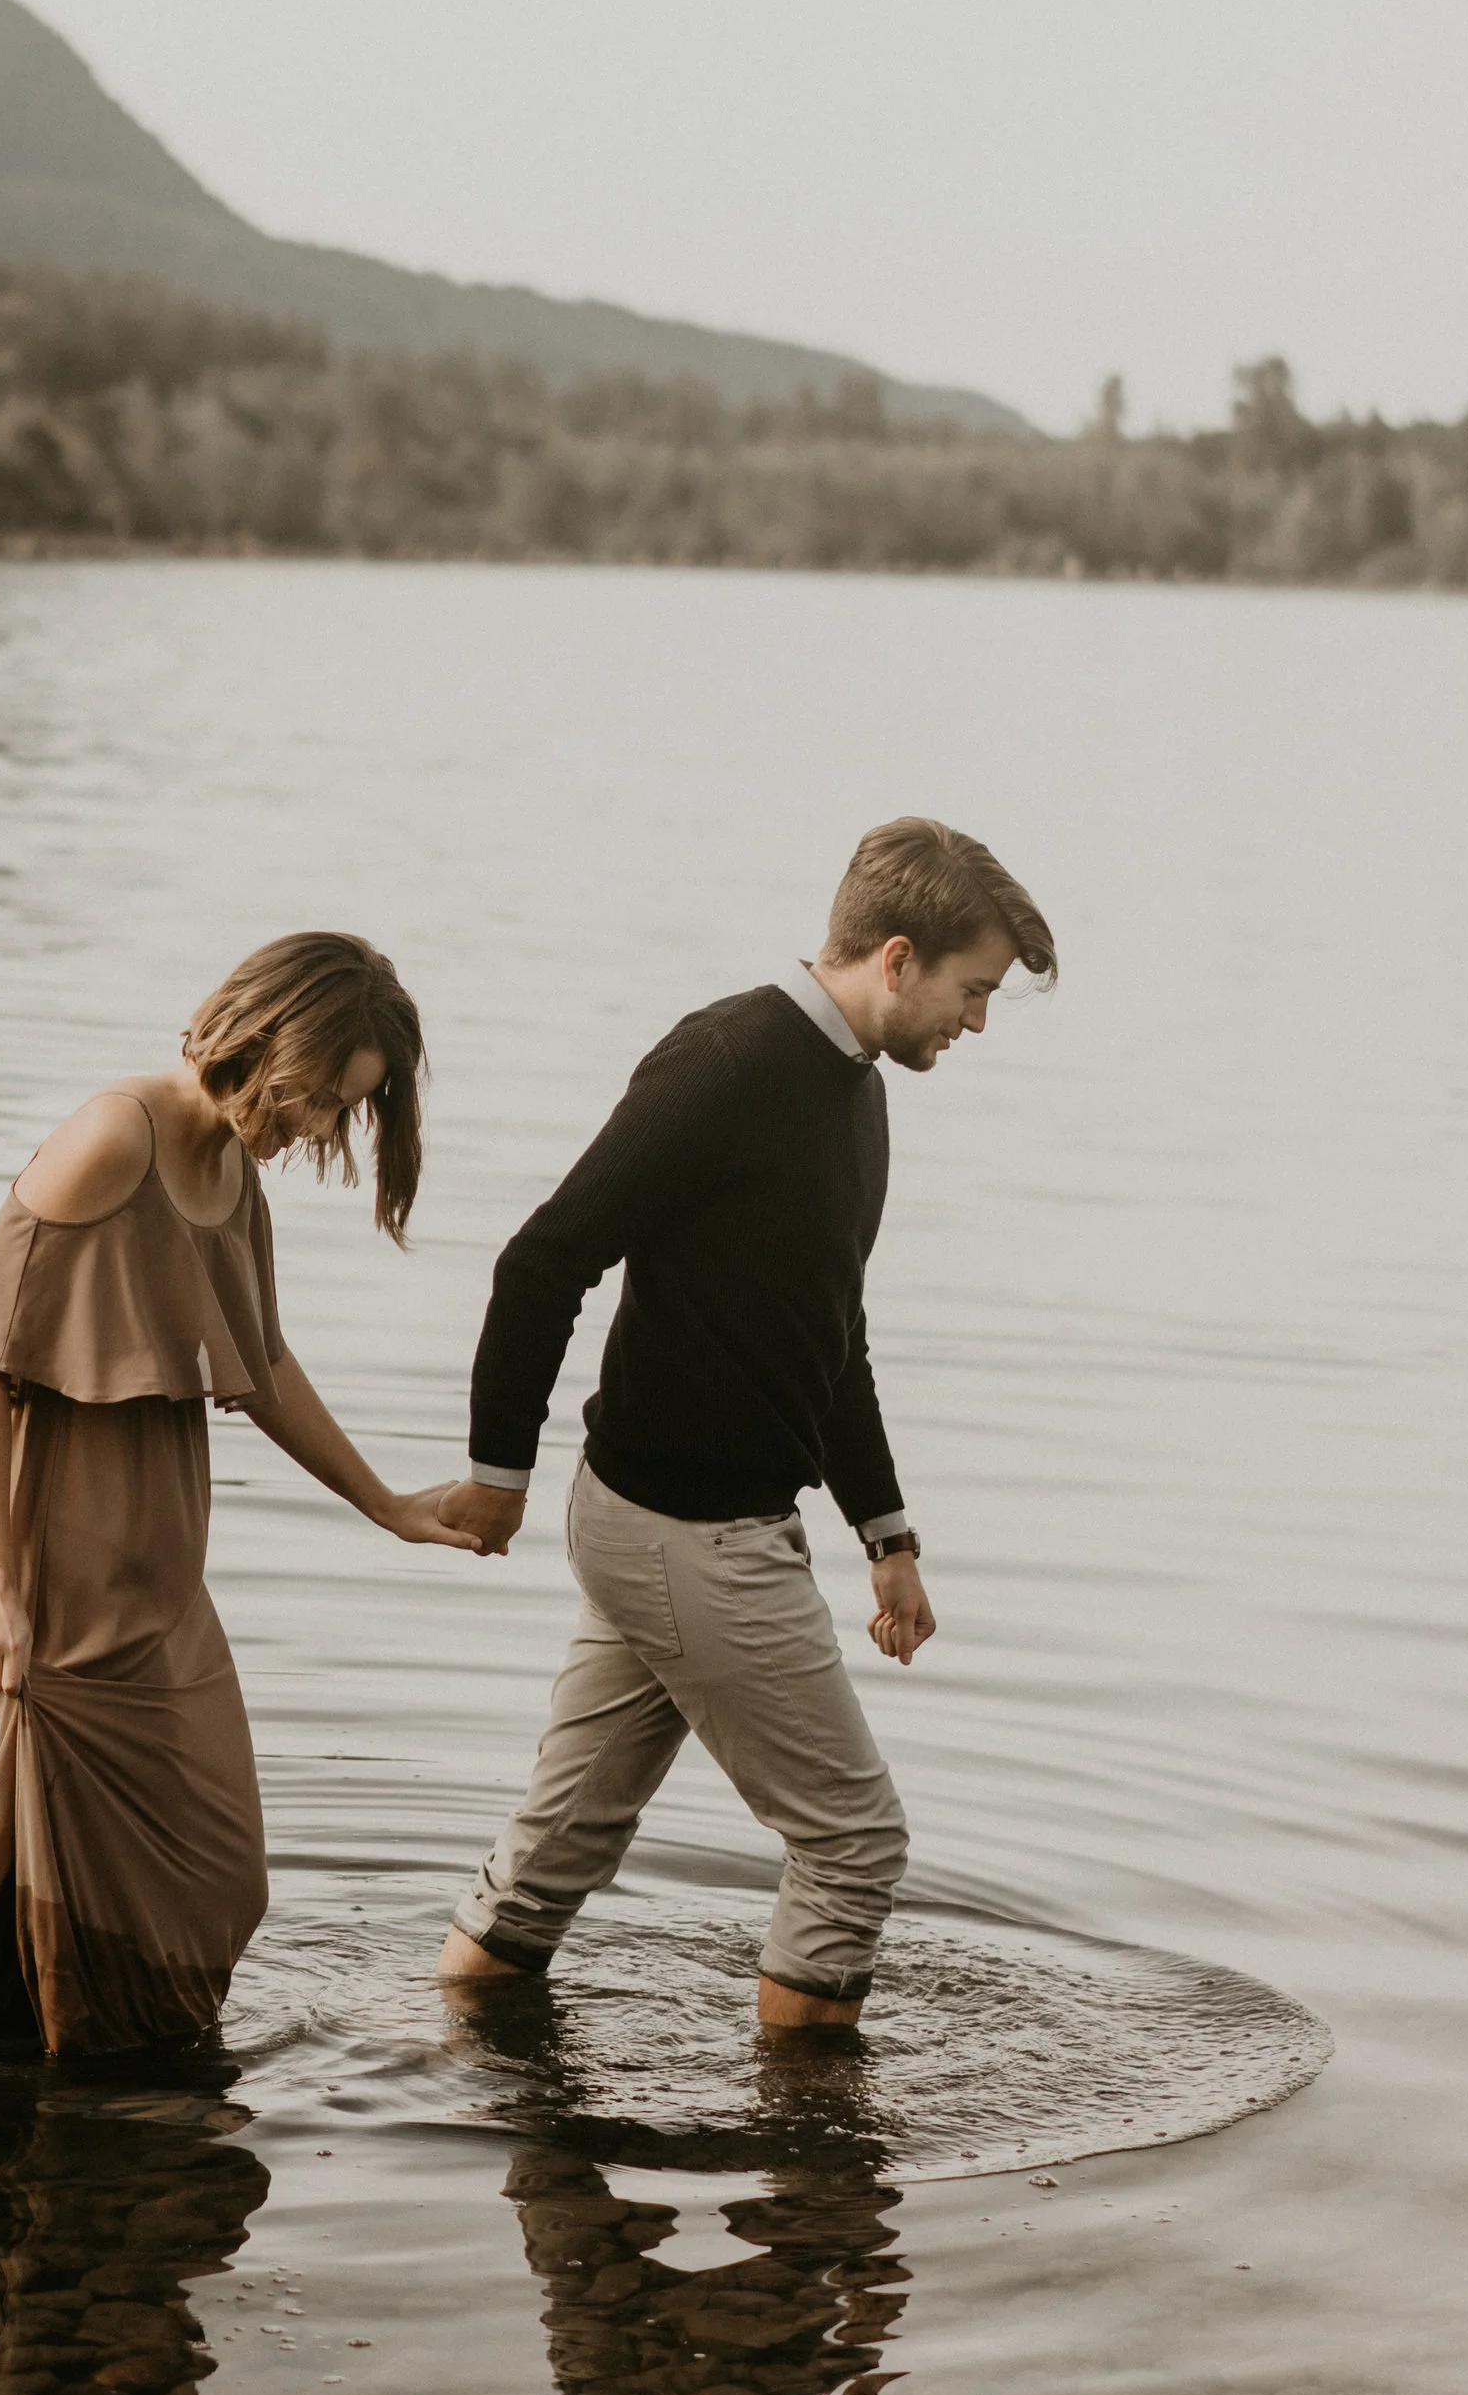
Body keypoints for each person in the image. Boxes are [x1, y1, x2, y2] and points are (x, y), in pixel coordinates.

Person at [429, 816, 1056, 2030]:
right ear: (895, 955)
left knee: (561, 1842)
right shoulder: (726, 1061)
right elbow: (543, 1260)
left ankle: (464, 2059)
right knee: (853, 1844)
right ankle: (811, 2181)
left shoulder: (854, 1095)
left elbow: (829, 1336)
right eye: (971, 991)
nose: (974, 1022)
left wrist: (887, 1532)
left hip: (689, 1530)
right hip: (683, 1527)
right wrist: (495, 1471)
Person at [0, 932, 477, 2059]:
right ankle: (80, 2146)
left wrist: (386, 1506)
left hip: (165, 1582)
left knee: (214, 1880)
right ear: (272, 1039)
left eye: (340, 1113)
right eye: (319, 1098)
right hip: (70, 1581)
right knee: (124, 1895)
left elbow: (260, 1364)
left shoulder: (230, 1168)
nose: (314, 1132)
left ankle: (33, 2075)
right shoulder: (110, 1138)